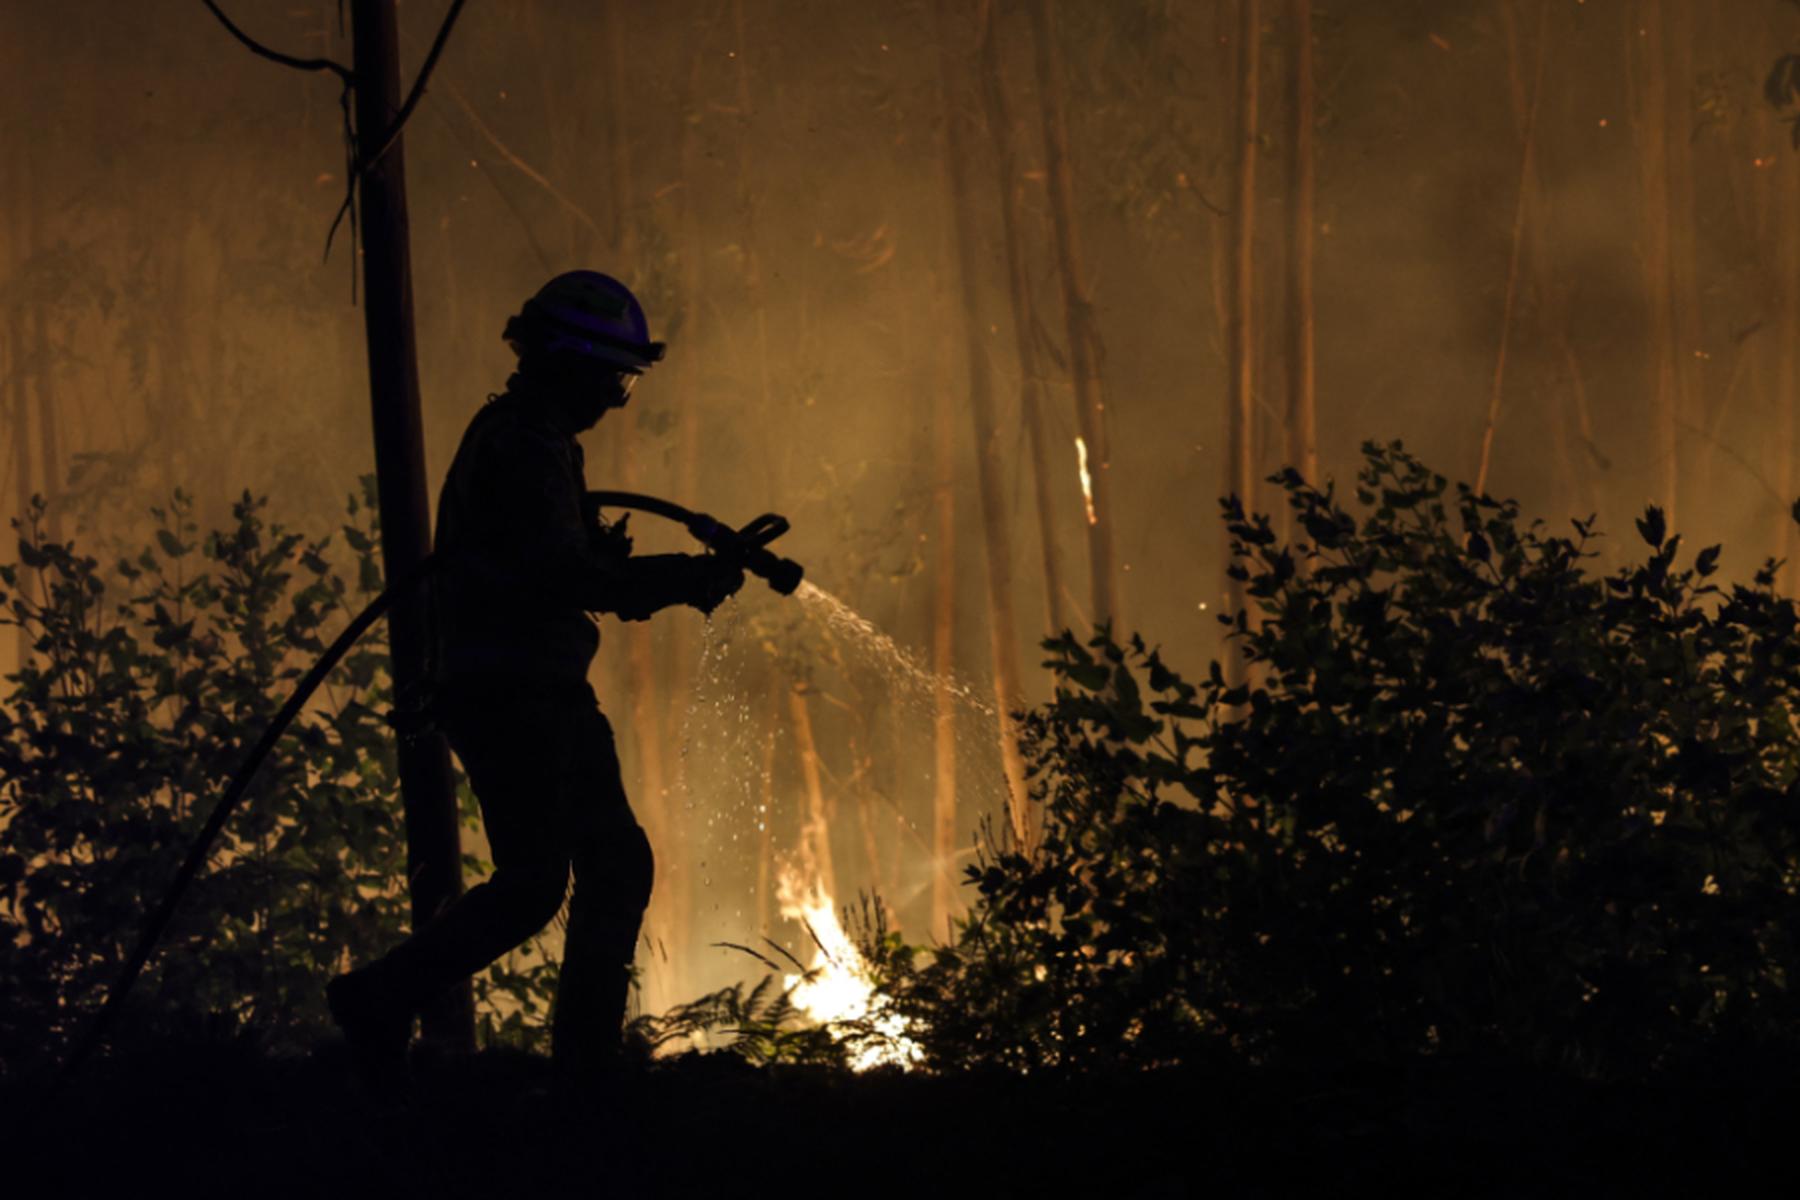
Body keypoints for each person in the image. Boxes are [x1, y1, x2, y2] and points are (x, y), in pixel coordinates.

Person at [327, 270, 744, 1094]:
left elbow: (541, 560)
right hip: (519, 693)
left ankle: (409, 1007)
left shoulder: (533, 438)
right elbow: (556, 573)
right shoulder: (521, 443)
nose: (618, 399)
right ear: (570, 363)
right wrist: (680, 580)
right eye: (615, 379)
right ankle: (559, 1063)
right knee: (567, 875)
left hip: (521, 686)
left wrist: (614, 563)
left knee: (575, 873)